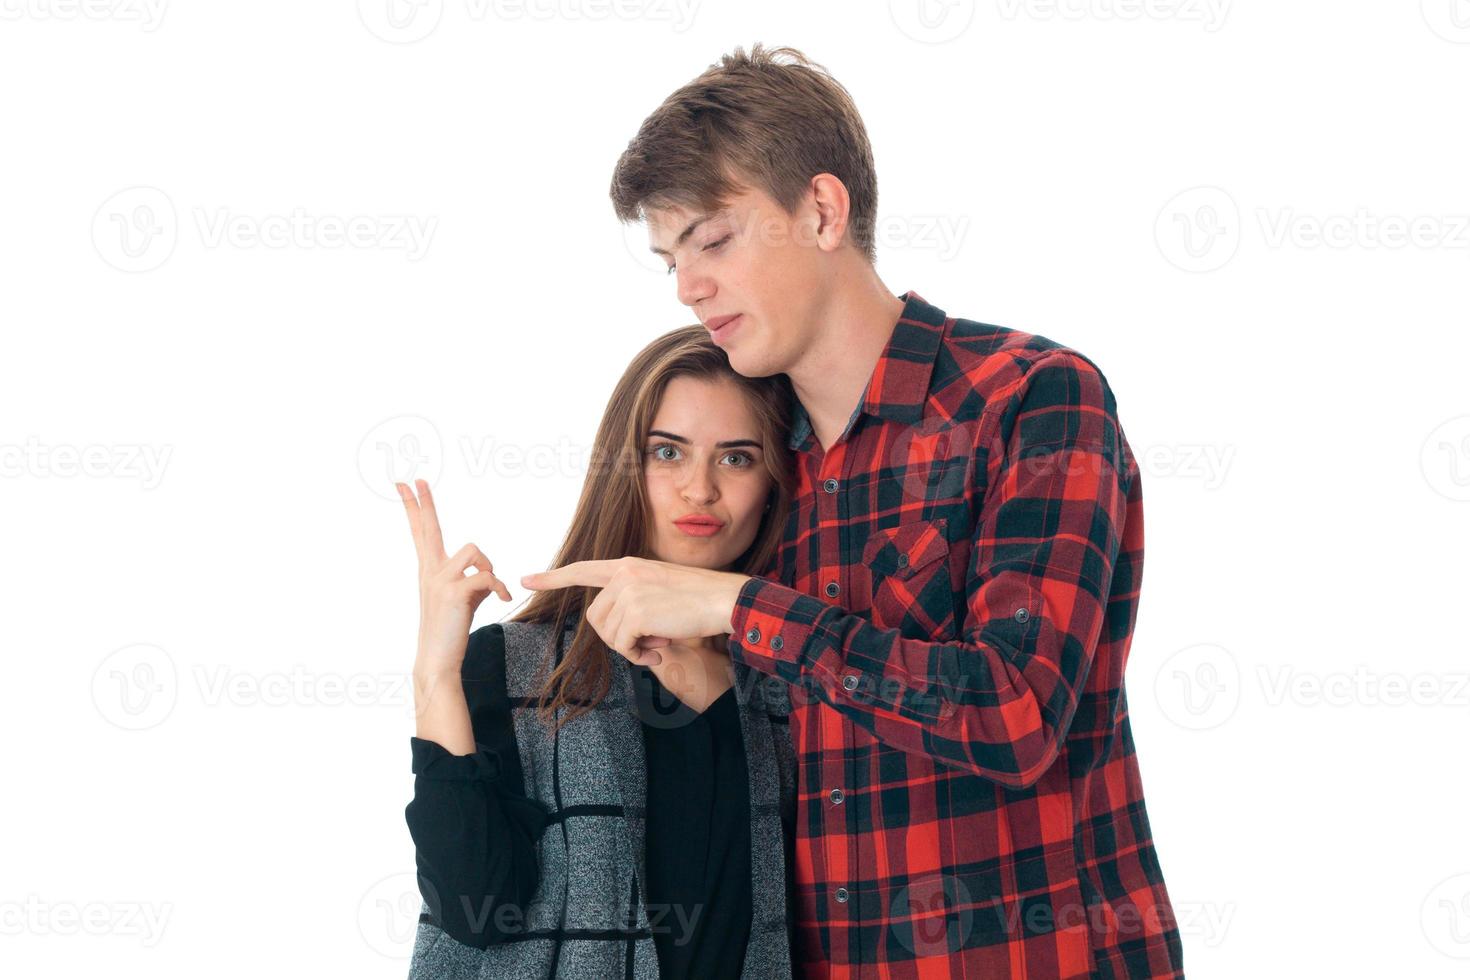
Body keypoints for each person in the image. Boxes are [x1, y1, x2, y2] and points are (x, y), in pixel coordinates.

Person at [523, 44, 1185, 978]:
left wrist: (733, 607)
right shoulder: (756, 468)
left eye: (713, 241)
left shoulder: (1032, 400)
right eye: (670, 259)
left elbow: (1014, 712)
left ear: (823, 213)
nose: (687, 287)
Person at [400, 326, 800, 979]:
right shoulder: (516, 665)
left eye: (737, 458)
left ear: (774, 482)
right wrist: (435, 674)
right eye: (667, 453)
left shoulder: (791, 681)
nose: (700, 489)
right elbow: (473, 911)